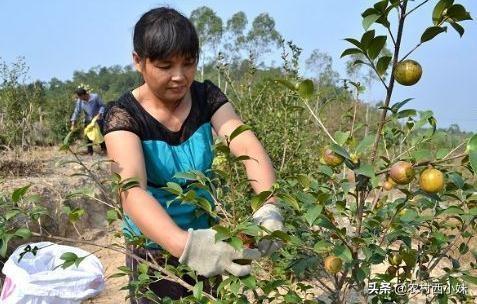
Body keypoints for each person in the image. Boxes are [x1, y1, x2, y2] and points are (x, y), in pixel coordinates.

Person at [102, 7, 284, 302]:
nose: (179, 77)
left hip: (210, 241)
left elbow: (245, 144)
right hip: (154, 248)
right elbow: (132, 190)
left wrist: (269, 204)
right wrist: (185, 245)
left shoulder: (206, 98)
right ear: (138, 61)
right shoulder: (123, 116)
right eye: (165, 66)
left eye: (189, 64)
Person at [70, 87, 107, 155]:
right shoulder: (80, 101)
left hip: (97, 119)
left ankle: (104, 149)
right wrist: (73, 122)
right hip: (88, 120)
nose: (79, 98)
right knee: (88, 136)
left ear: (83, 95)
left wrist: (100, 113)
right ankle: (90, 152)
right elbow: (76, 111)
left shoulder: (95, 97)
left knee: (100, 134)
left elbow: (102, 106)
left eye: (79, 97)